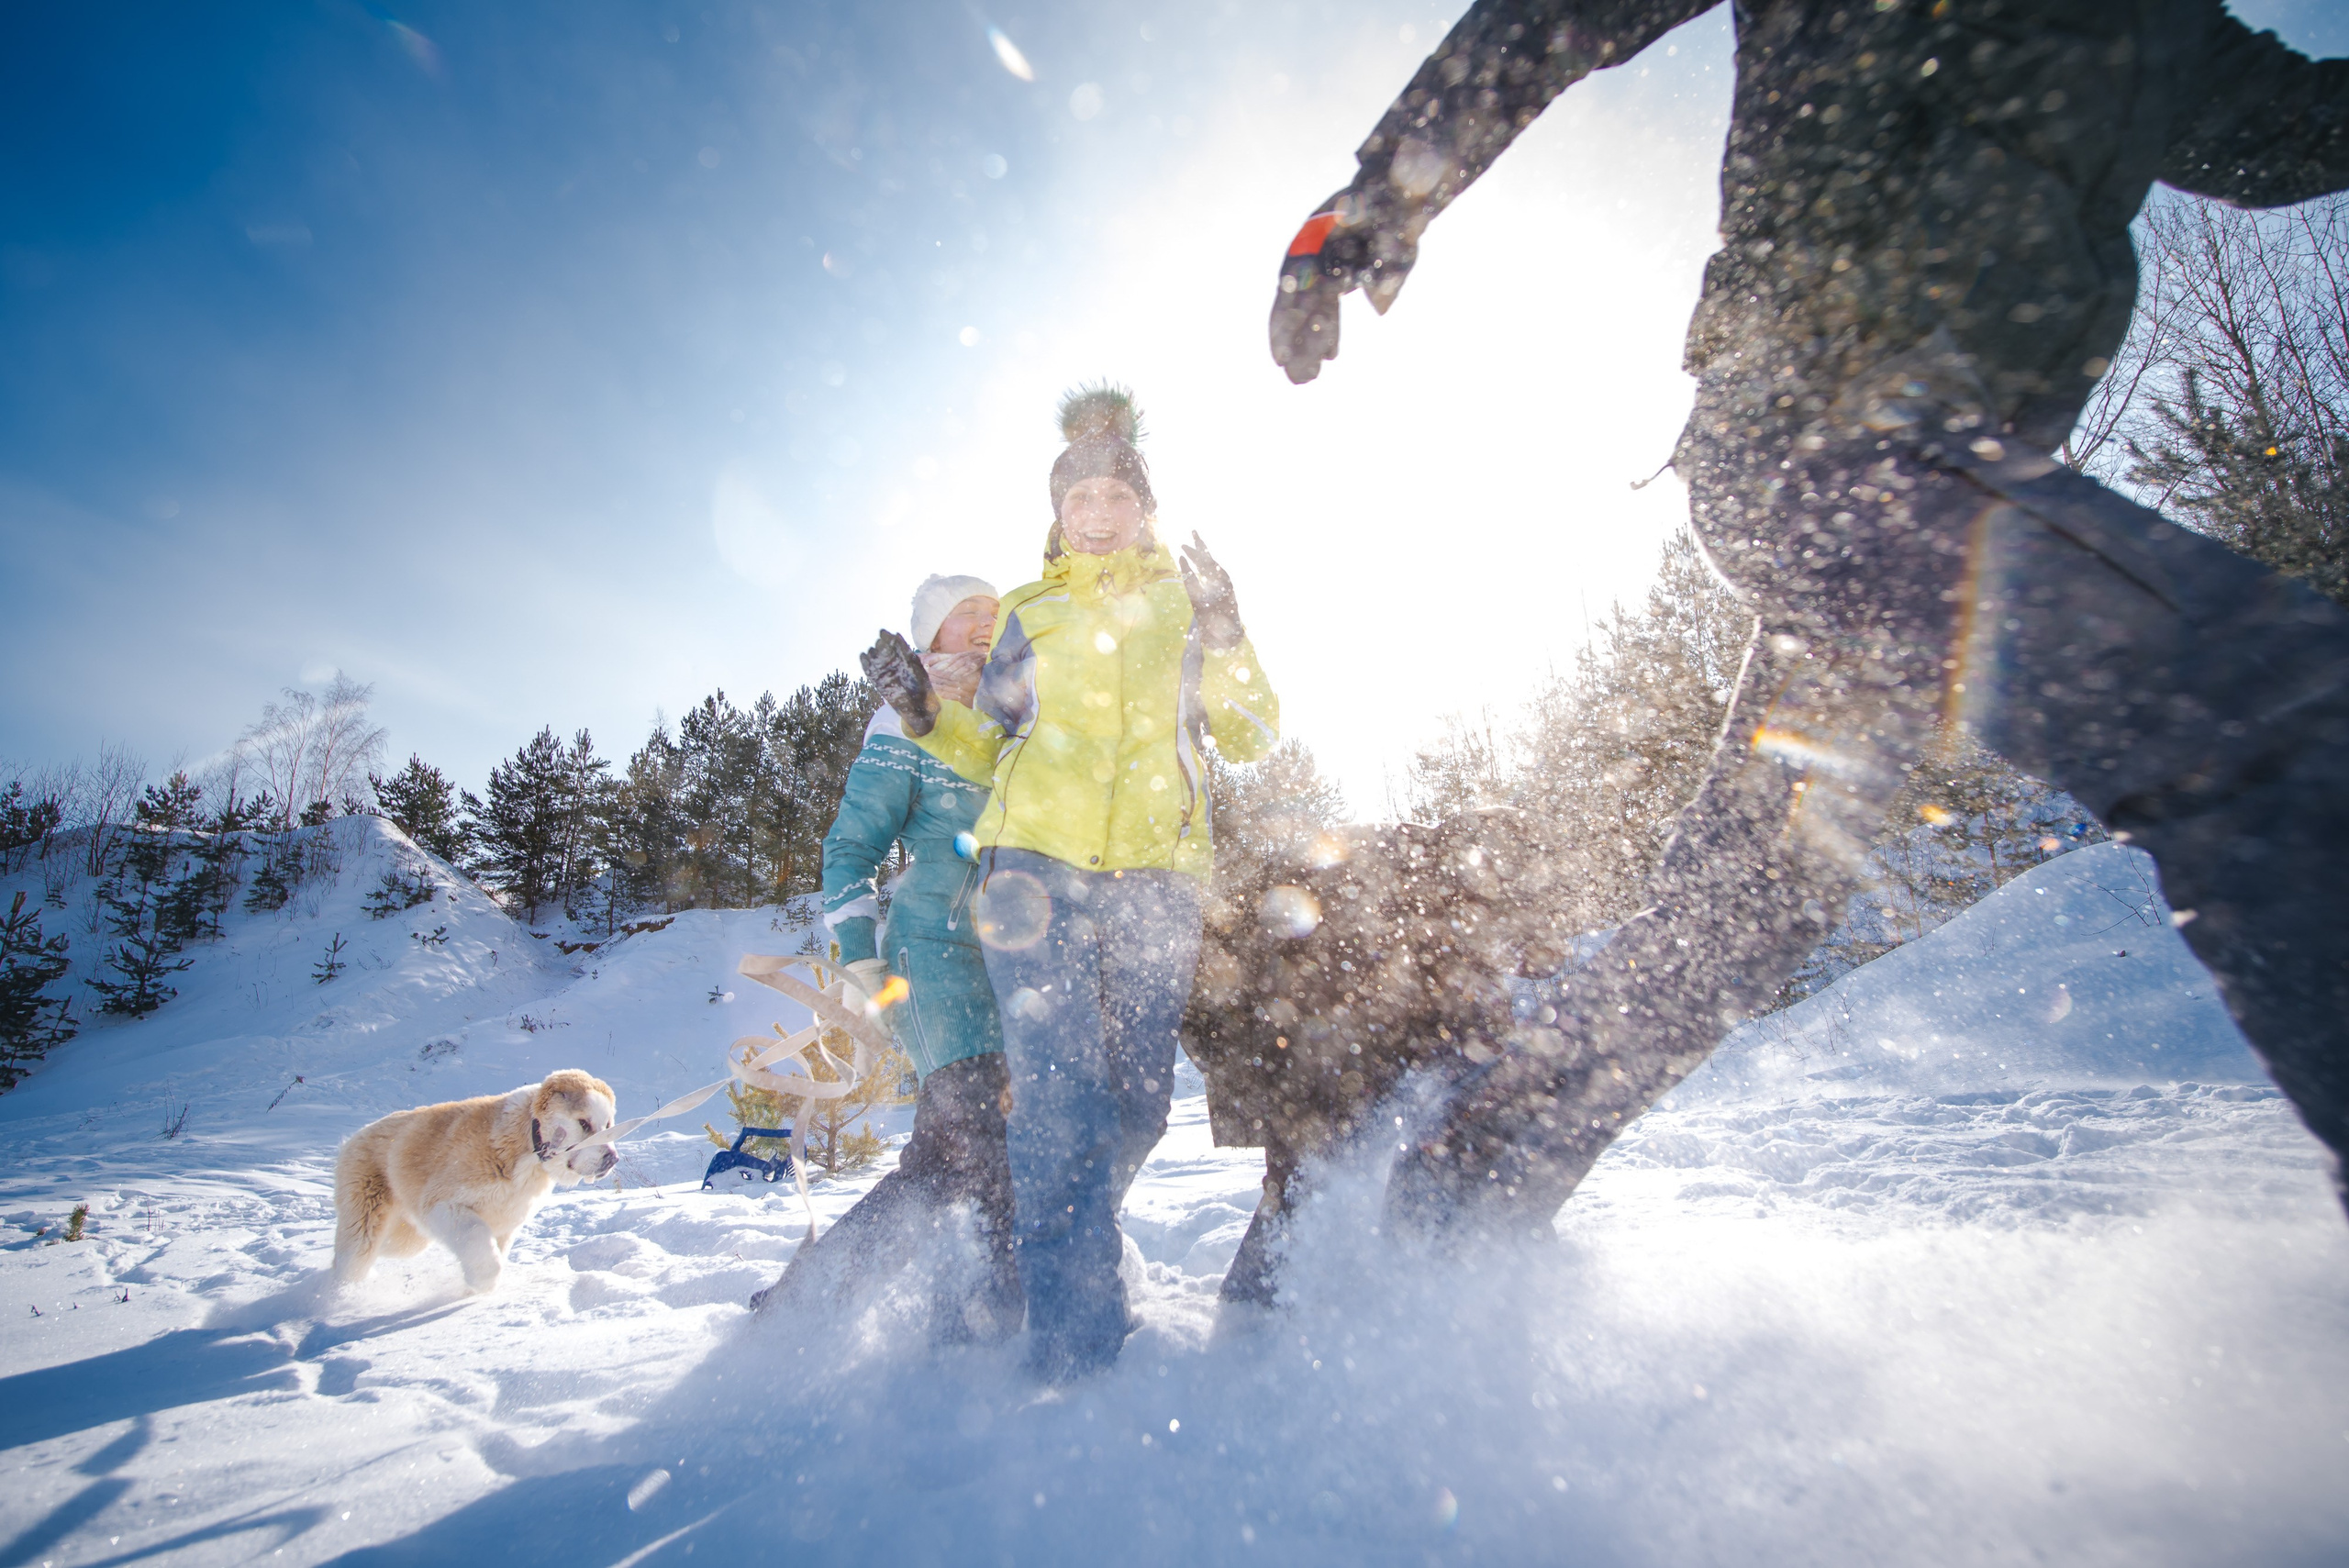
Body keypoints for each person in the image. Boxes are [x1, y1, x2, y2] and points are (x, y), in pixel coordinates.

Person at [1267, 1, 2349, 1231]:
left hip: (1944, 491)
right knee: (2273, 713)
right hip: (1820, 435)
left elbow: (2296, 129)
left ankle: (1434, 1225)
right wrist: (1371, 199)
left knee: (1743, 914)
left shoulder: (2156, 26)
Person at [862, 384, 1281, 1379]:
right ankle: (1074, 1342)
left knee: (1136, 1107)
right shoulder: (1027, 610)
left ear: (1143, 506)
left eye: (1113, 498)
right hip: (1030, 872)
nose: (1094, 516)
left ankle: (1022, 1250)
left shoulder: (1183, 603)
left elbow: (1254, 734)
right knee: (1057, 1099)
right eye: (1076, 500)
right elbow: (987, 742)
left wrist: (1226, 633)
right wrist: (925, 710)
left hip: (1157, 878)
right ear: (1056, 514)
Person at [751, 573, 1021, 1341]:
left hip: (1011, 956)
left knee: (951, 1154)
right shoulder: (903, 720)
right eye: (963, 614)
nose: (982, 623)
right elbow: (852, 844)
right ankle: (984, 1316)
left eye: (993, 614)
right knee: (974, 1125)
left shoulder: (1018, 722)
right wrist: (859, 954)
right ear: (930, 637)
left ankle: (810, 1304)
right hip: (932, 945)